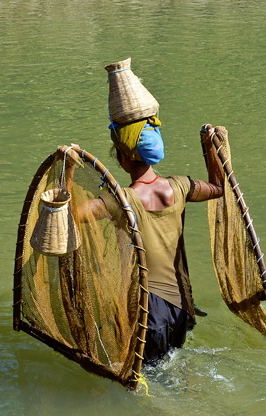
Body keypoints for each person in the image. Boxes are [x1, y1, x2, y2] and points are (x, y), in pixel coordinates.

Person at [68, 117, 225, 365]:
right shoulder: (181, 186)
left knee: (149, 375)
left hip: (148, 310)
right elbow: (219, 187)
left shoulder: (121, 201)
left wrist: (69, 169)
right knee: (172, 367)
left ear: (123, 158)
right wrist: (210, 147)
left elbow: (67, 215)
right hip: (182, 305)